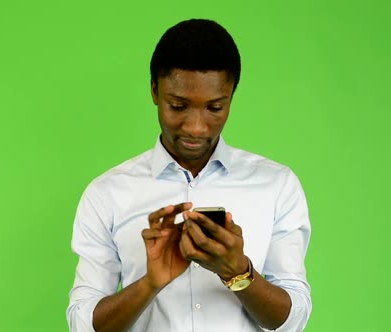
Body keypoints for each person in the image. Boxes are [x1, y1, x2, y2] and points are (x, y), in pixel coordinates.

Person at [66, 18, 312, 332]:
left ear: (232, 96)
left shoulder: (277, 185)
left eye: (215, 108)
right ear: (155, 90)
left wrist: (238, 272)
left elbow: (293, 320)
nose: (196, 127)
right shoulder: (107, 193)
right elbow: (82, 325)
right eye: (178, 105)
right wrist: (149, 284)